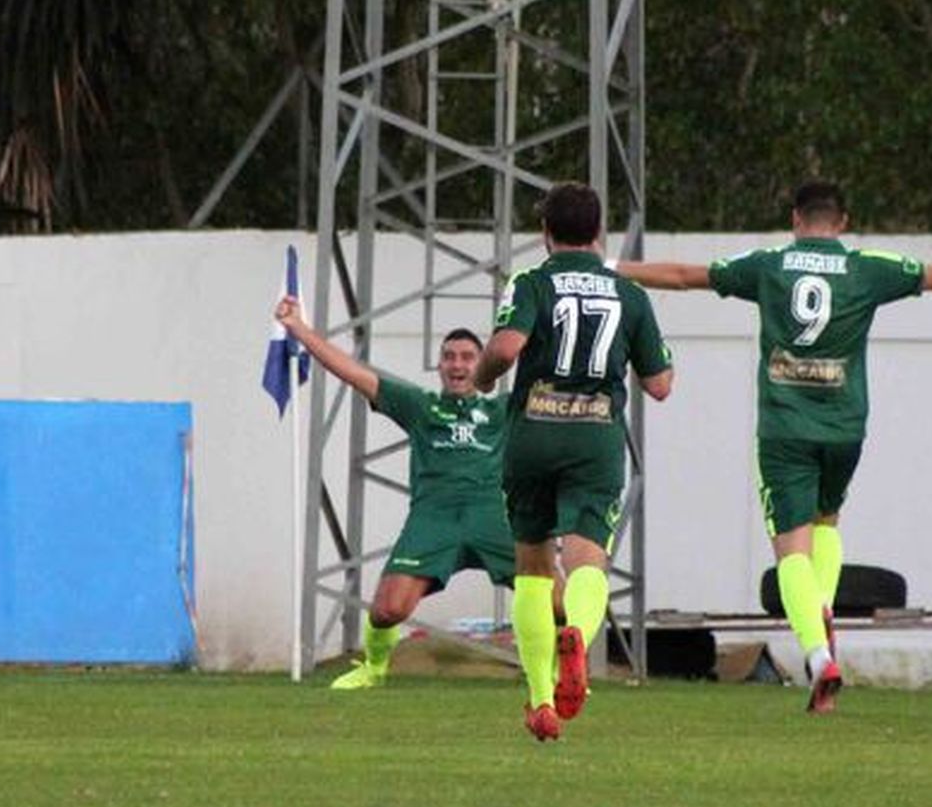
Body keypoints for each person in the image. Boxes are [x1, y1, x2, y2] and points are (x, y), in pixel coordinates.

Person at [616, 180, 932, 713]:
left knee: (790, 546)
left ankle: (817, 655)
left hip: (786, 430)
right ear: (842, 222)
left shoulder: (768, 265)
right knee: (827, 521)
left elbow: (682, 276)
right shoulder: (867, 267)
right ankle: (824, 613)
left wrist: (612, 268)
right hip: (844, 429)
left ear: (795, 219)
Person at [475, 181, 674, 741]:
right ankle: (579, 641)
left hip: (534, 433)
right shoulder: (630, 294)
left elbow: (508, 347)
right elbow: (659, 385)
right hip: (594, 437)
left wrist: (485, 374)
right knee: (588, 561)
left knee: (534, 570)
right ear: (599, 233)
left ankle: (541, 701)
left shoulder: (532, 281)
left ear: (545, 234)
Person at [274, 298, 517, 690]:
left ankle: (561, 673)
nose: (457, 365)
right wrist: (297, 328)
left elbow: (554, 392)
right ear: (439, 365)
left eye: (468, 357)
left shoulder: (503, 410)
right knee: (388, 609)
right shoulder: (421, 406)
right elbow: (353, 372)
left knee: (554, 598)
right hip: (433, 516)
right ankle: (374, 667)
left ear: (483, 363)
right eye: (449, 357)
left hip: (490, 514)